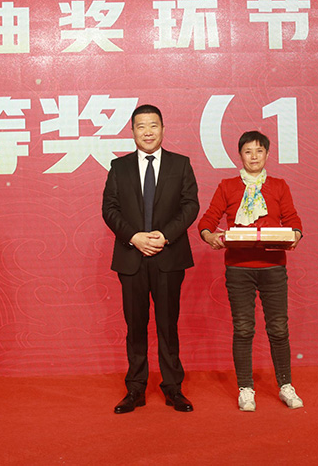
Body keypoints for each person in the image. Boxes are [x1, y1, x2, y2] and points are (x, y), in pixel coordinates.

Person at [101, 104, 200, 414]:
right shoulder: (119, 167)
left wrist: (164, 236)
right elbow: (109, 209)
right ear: (132, 131)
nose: (147, 132)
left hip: (168, 255)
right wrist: (134, 237)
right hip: (131, 256)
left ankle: (173, 388)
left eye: (153, 125)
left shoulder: (180, 164)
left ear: (163, 129)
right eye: (141, 126)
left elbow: (190, 205)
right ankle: (135, 389)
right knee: (135, 325)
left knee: (168, 324)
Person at [197, 131, 304, 411]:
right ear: (240, 155)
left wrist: (295, 234)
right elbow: (207, 220)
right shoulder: (227, 186)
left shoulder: (279, 185)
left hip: (273, 267)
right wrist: (209, 236)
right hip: (238, 269)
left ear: (267, 154)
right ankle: (246, 388)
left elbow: (293, 219)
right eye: (248, 151)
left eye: (259, 151)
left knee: (278, 328)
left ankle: (285, 385)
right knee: (243, 329)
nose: (254, 156)